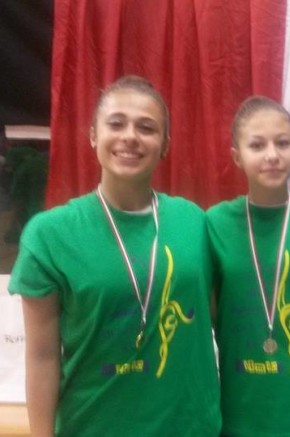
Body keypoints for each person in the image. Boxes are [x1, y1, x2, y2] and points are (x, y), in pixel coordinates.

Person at [9, 75, 221, 436]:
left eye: (147, 127)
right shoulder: (49, 235)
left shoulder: (195, 221)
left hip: (191, 426)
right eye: (116, 123)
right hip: (94, 425)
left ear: (165, 145)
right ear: (94, 135)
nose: (130, 137)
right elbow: (42, 357)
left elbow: (220, 317)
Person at [206, 96, 290, 436]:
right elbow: (207, 306)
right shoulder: (215, 223)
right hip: (242, 408)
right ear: (237, 156)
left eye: (282, 143)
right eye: (257, 145)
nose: (272, 155)